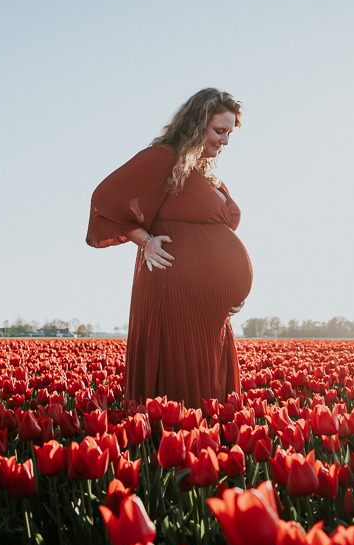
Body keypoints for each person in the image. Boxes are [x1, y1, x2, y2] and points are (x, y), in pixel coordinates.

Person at [86, 88, 252, 407]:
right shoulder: (163, 158)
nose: (225, 141)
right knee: (182, 390)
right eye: (219, 131)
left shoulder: (206, 175)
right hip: (175, 293)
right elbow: (106, 199)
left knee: (211, 395)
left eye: (230, 133)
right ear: (196, 123)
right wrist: (145, 241)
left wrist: (232, 291)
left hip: (210, 307)